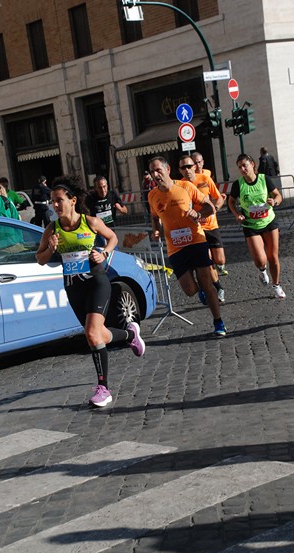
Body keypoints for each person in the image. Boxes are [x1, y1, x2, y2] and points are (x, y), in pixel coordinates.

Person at [36, 174, 145, 408]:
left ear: (72, 200)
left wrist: (103, 253)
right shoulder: (52, 229)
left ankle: (103, 388)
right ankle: (130, 334)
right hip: (73, 287)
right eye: (52, 202)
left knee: (93, 334)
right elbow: (40, 259)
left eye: (59, 200)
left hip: (97, 281)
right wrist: (51, 249)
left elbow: (113, 237)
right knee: (97, 334)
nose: (55, 205)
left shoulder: (90, 222)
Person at [148, 155, 226, 336]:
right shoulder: (152, 195)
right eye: (152, 171)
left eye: (158, 170)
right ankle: (200, 290)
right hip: (175, 248)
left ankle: (218, 322)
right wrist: (156, 230)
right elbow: (154, 217)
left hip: (196, 240)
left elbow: (209, 207)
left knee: (207, 284)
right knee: (190, 290)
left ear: (167, 170)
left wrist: (198, 215)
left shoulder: (185, 187)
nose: (155, 174)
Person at [228, 153, 286, 299]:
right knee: (261, 259)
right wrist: (237, 215)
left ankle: (277, 285)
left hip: (269, 222)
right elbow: (230, 202)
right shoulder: (238, 184)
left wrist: (275, 202)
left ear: (252, 164)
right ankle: (262, 270)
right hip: (250, 225)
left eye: (244, 165)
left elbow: (278, 195)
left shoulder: (264, 179)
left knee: (273, 257)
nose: (242, 169)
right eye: (239, 167)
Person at [178, 155, 227, 304]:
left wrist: (215, 209)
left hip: (211, 225)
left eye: (189, 166)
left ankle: (214, 274)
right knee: (207, 261)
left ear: (195, 166)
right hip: (196, 228)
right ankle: (218, 287)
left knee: (220, 260)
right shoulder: (180, 185)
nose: (187, 170)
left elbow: (219, 198)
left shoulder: (205, 179)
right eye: (183, 168)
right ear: (180, 171)